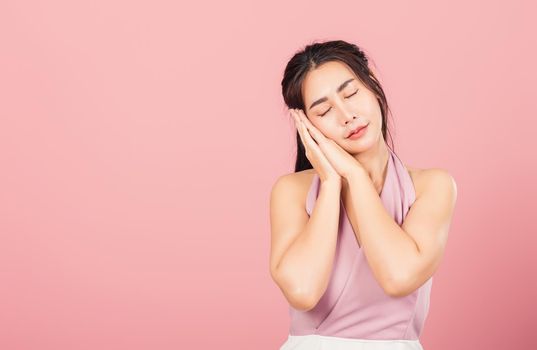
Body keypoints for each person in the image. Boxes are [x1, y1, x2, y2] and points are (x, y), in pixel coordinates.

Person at [269, 40, 457, 349]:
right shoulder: (291, 191)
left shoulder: (431, 186)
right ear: (306, 126)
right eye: (324, 110)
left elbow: (398, 276)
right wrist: (330, 183)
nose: (346, 115)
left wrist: (355, 176)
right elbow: (303, 290)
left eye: (351, 93)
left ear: (372, 82)